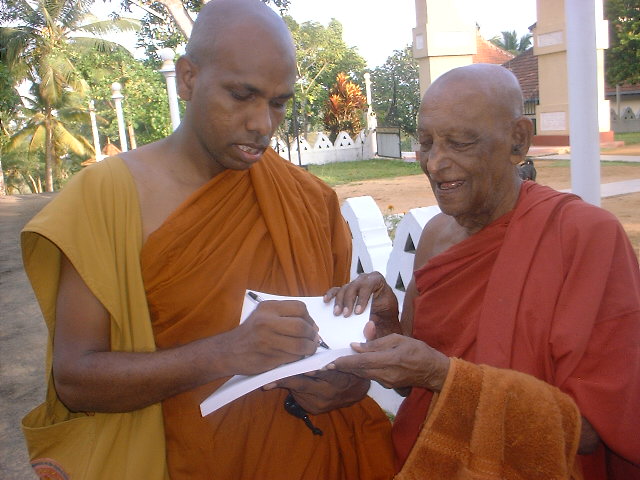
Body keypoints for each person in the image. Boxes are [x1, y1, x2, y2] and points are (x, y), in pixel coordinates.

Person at [20, 1, 395, 478]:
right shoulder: (109, 197)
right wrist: (225, 353)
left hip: (305, 457)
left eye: (279, 103)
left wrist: (348, 384)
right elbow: (76, 380)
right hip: (181, 462)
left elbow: (334, 343)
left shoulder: (308, 199)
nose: (262, 124)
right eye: (242, 95)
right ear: (188, 78)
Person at [325, 64, 640, 479]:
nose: (435, 163)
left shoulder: (585, 238)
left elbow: (590, 431)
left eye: (460, 143)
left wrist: (443, 376)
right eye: (425, 143)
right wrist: (387, 324)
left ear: (518, 140)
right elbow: (411, 386)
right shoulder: (436, 237)